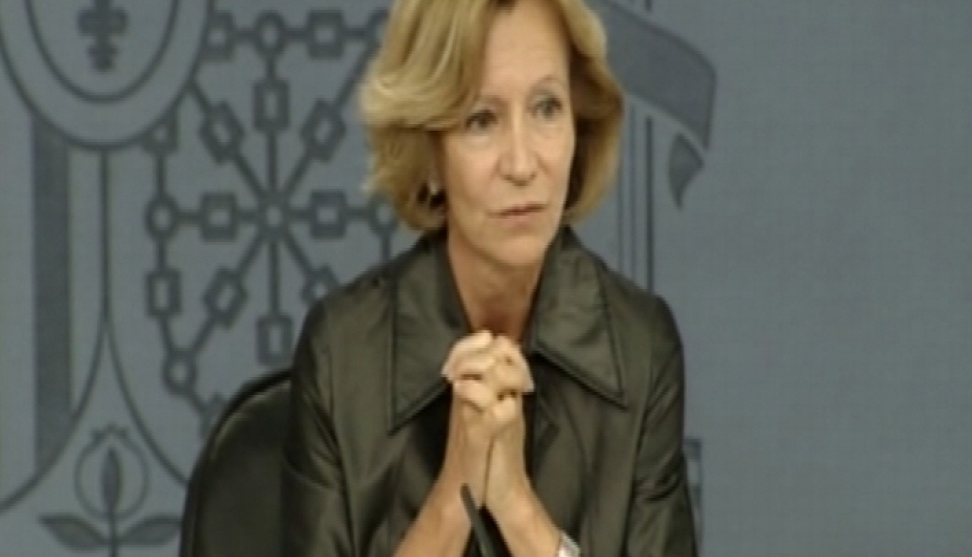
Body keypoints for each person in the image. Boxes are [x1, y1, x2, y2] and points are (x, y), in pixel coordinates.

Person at [281, 0, 698, 555]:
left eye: (547, 108)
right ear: (429, 152)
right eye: (481, 119)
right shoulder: (343, 356)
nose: (522, 164)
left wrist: (517, 506)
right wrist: (456, 490)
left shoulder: (640, 348)